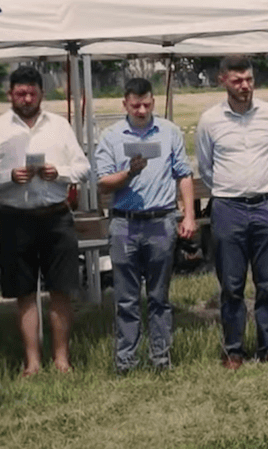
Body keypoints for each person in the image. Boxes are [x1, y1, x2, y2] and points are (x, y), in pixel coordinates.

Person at [0, 65, 90, 376]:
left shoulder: (58, 126)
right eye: (20, 93)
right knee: (24, 292)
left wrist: (61, 173)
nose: (26, 98)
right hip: (15, 218)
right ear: (10, 95)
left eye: (32, 92)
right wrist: (8, 177)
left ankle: (62, 360)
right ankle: (32, 362)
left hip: (55, 216)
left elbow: (83, 168)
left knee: (61, 289)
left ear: (42, 93)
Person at [94, 77, 197, 374]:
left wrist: (188, 215)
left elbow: (184, 174)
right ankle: (125, 362)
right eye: (135, 104)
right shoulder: (112, 136)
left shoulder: (169, 131)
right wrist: (129, 173)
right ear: (124, 103)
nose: (141, 110)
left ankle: (161, 359)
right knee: (126, 298)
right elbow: (102, 183)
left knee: (159, 297)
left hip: (161, 221)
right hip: (125, 223)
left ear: (153, 101)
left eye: (147, 104)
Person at [196, 54, 268, 369]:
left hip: (266, 205)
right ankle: (233, 350)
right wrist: (231, 190)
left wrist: (261, 186)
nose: (245, 86)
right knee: (232, 285)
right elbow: (206, 167)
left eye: (249, 79)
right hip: (228, 208)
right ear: (222, 80)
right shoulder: (210, 121)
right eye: (237, 81)